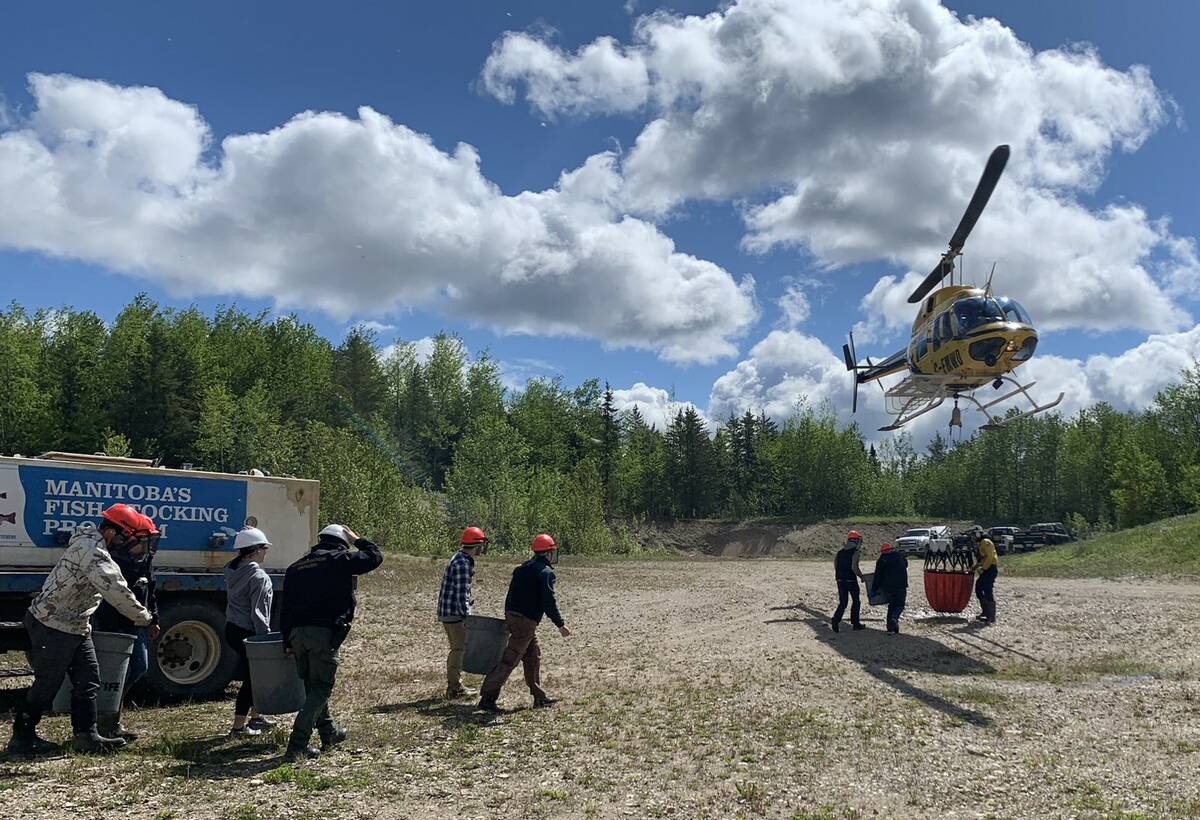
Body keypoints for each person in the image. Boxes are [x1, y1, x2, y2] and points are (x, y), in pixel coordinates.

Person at [7, 504, 153, 755]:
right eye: (129, 539)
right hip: (52, 624)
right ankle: (22, 737)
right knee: (47, 684)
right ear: (110, 533)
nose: (130, 546)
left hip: (75, 624)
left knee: (88, 680)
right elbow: (117, 591)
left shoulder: (92, 546)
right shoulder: (93, 553)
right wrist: (145, 618)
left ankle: (87, 736)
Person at [279, 524, 383, 761]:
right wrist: (358, 539)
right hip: (323, 633)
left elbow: (284, 609)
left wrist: (287, 640)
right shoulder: (339, 558)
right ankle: (297, 744)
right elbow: (375, 557)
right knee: (322, 687)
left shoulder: (295, 567)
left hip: (296, 634)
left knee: (311, 685)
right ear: (341, 542)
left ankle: (329, 733)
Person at [478, 533, 570, 713]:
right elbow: (548, 602)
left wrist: (510, 617)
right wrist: (560, 625)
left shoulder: (522, 568)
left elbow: (511, 595)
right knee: (509, 659)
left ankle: (539, 696)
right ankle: (487, 698)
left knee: (533, 655)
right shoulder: (546, 573)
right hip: (525, 621)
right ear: (549, 553)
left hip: (515, 617)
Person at [92, 511, 161, 742]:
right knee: (109, 674)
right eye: (140, 544)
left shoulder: (143, 561)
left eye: (148, 543)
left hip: (138, 624)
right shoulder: (103, 561)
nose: (145, 550)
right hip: (111, 625)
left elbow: (150, 590)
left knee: (137, 668)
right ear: (118, 538)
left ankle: (114, 717)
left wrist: (154, 619)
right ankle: (100, 723)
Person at [224, 526, 276, 736]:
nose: (266, 551)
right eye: (264, 547)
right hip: (248, 632)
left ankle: (256, 717)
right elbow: (259, 613)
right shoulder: (259, 577)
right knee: (252, 678)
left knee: (255, 675)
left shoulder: (232, 569)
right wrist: (265, 639)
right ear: (255, 550)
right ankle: (238, 727)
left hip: (231, 628)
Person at [438, 526, 487, 699]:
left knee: (457, 648)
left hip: (450, 611)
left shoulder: (460, 558)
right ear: (477, 546)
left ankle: (455, 685)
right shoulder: (463, 564)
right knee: (458, 649)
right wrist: (468, 618)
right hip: (454, 614)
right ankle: (454, 688)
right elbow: (461, 595)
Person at [830, 530, 865, 633]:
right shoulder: (855, 552)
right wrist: (861, 576)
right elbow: (854, 567)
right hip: (851, 580)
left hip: (840, 580)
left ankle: (836, 619)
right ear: (856, 541)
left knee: (843, 602)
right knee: (856, 601)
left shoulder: (840, 552)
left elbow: (835, 565)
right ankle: (855, 623)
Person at [870, 542, 908, 635]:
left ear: (882, 551)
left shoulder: (881, 560)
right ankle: (895, 618)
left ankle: (890, 629)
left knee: (891, 605)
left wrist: (874, 589)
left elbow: (877, 576)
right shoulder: (900, 556)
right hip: (901, 586)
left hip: (888, 587)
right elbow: (906, 565)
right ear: (892, 549)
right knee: (900, 605)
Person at [974, 528, 998, 625]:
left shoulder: (986, 541)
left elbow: (990, 557)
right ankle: (986, 612)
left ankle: (991, 616)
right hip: (987, 568)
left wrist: (983, 568)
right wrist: (974, 567)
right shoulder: (981, 544)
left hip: (990, 569)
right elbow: (982, 559)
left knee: (987, 590)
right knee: (979, 588)